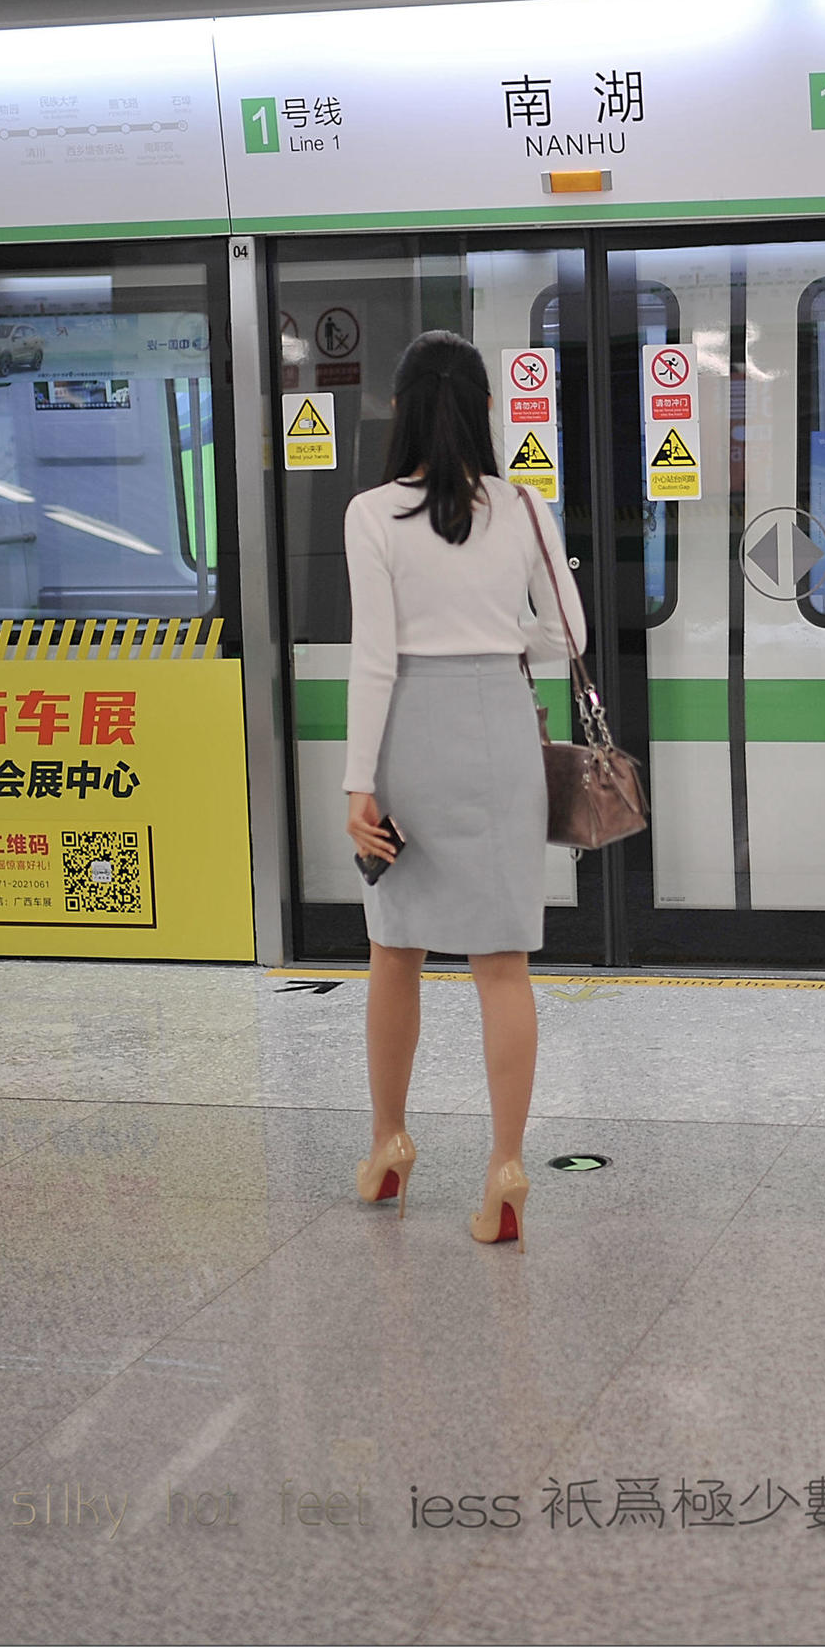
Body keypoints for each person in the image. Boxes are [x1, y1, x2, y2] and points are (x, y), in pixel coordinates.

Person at [342, 329, 587, 1251]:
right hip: (499, 735)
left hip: (408, 738)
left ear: (398, 412)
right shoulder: (522, 507)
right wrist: (499, 641)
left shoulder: (371, 514)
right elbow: (571, 634)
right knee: (503, 965)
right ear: (487, 411)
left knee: (393, 949)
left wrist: (357, 785)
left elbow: (373, 660)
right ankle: (507, 1167)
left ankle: (389, 1143)